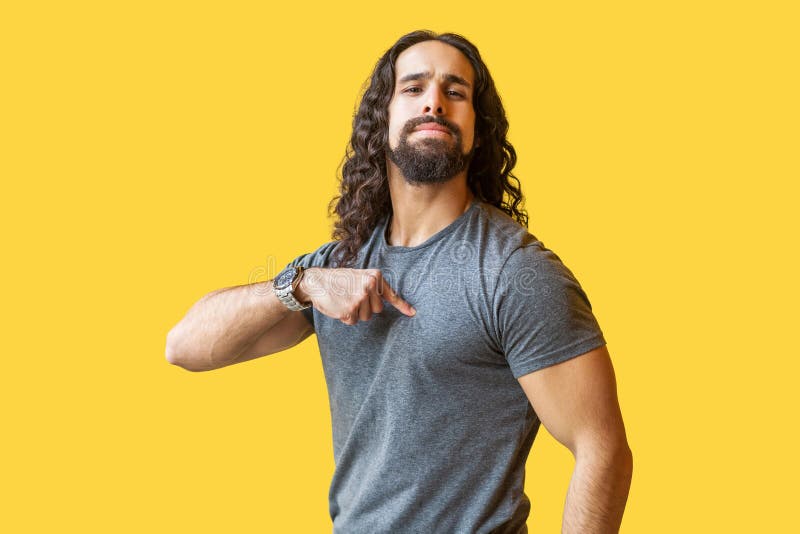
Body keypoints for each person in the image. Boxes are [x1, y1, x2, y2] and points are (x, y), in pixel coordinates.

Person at [166, 30, 632, 534]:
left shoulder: (515, 273)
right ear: (381, 120)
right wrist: (299, 286)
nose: (434, 101)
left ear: (478, 128)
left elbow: (602, 450)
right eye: (413, 88)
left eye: (455, 92)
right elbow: (184, 346)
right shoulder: (336, 266)